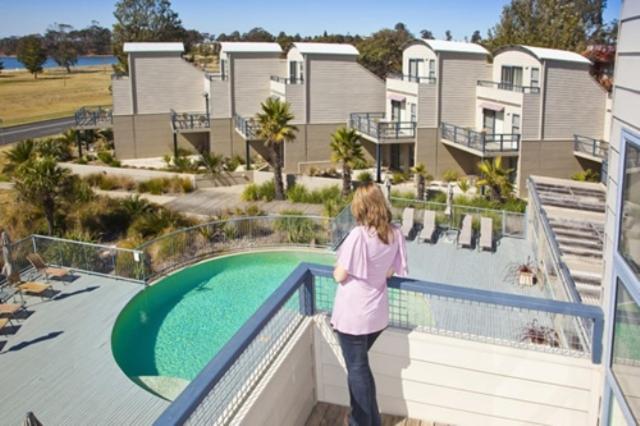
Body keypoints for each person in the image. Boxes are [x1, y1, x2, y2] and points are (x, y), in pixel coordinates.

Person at [331, 183, 408, 426]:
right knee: (361, 368)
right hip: (376, 316)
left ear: (361, 207)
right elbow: (391, 271)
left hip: (353, 317)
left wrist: (338, 267)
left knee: (357, 370)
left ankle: (361, 422)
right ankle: (368, 420)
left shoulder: (359, 235)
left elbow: (339, 275)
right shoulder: (395, 233)